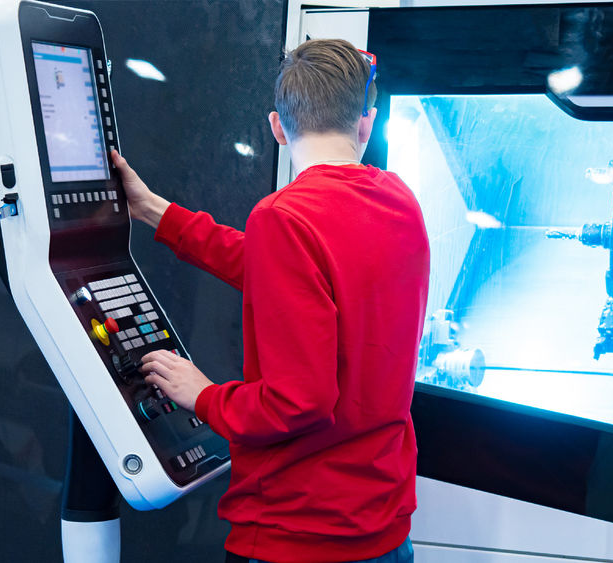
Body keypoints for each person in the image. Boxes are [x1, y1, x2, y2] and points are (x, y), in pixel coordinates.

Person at [111, 38, 429, 563]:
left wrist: (205, 395)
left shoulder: (284, 218)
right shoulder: (400, 202)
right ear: (366, 125)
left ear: (277, 127)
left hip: (301, 537)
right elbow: (285, 268)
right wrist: (153, 211)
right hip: (385, 533)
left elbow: (298, 401)